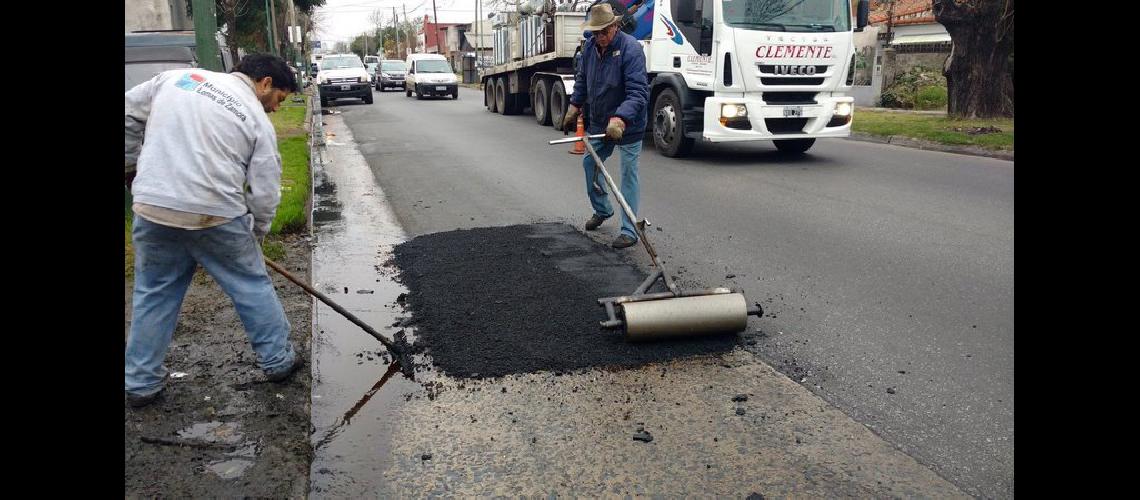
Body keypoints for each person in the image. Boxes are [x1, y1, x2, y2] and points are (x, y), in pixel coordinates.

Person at [124, 54, 302, 408]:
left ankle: (141, 382)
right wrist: (258, 233)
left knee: (153, 292)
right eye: (279, 99)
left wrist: (130, 165)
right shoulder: (254, 116)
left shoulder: (175, 79)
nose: (277, 109)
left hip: (153, 205)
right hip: (216, 213)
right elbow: (265, 190)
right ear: (265, 83)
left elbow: (127, 113)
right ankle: (279, 362)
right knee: (251, 285)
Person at [564, 1, 649, 249]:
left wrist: (621, 118)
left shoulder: (631, 49)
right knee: (590, 164)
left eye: (603, 31)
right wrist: (574, 105)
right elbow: (582, 80)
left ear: (615, 26)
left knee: (628, 174)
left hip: (628, 124)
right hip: (601, 121)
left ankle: (630, 230)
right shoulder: (590, 48)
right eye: (595, 32)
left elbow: (638, 93)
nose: (599, 36)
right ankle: (602, 209)